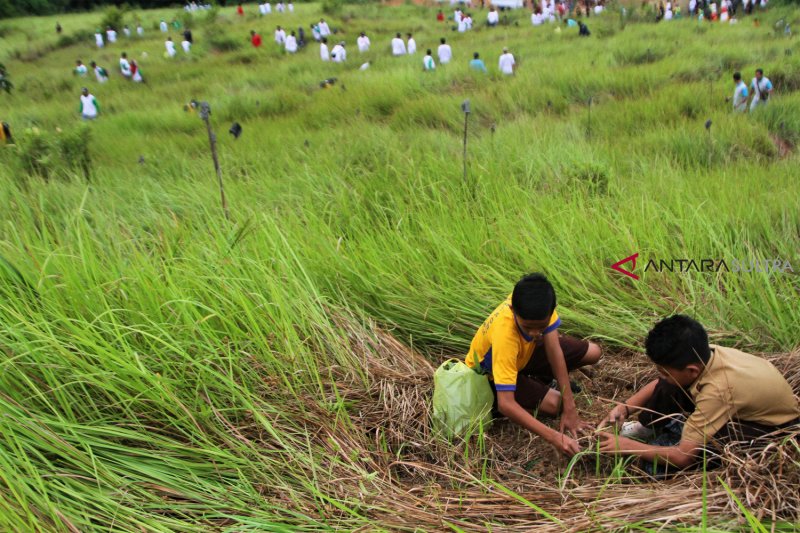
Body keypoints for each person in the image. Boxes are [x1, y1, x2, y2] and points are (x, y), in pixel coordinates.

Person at [598, 315, 799, 471]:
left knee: (683, 459)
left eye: (665, 371)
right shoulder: (705, 353)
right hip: (740, 400)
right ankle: (649, 428)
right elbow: (661, 383)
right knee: (669, 385)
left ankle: (674, 437)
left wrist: (627, 446)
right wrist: (624, 407)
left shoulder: (718, 390)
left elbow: (683, 457)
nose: (661, 376)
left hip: (770, 430)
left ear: (692, 370)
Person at [465, 273, 602, 457]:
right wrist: (555, 437)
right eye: (528, 327)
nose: (536, 333)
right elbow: (507, 404)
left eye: (541, 327)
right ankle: (516, 392)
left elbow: (554, 352)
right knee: (556, 404)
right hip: (490, 375)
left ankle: (537, 380)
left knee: (594, 352)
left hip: (523, 355)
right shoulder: (505, 335)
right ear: (513, 310)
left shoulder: (540, 304)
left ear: (552, 309)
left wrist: (571, 408)